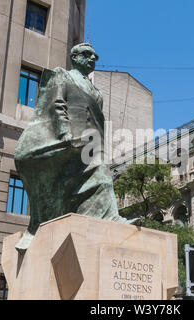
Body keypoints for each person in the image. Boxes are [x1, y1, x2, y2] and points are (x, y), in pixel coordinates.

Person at [14, 43, 136, 253]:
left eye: (94, 56)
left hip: (91, 144)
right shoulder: (63, 76)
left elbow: (98, 122)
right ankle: (43, 224)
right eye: (87, 55)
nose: (92, 59)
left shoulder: (97, 92)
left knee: (103, 178)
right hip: (69, 139)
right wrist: (64, 133)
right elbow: (57, 104)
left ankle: (107, 217)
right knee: (82, 180)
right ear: (74, 57)